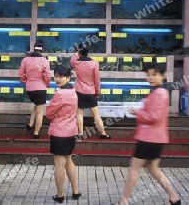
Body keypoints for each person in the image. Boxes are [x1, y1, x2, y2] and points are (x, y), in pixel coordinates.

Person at [113, 64, 180, 205]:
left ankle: (124, 201)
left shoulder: (160, 93)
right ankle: (174, 198)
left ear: (162, 76)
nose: (150, 77)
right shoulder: (158, 91)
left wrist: (137, 113)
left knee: (134, 169)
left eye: (154, 74)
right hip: (155, 138)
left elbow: (153, 117)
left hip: (149, 138)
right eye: (148, 74)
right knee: (153, 169)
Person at [46, 66, 81, 203]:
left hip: (59, 132)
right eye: (56, 76)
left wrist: (54, 114)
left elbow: (49, 113)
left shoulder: (59, 94)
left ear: (68, 77)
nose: (58, 79)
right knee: (69, 161)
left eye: (61, 76)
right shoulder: (73, 92)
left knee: (59, 165)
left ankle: (60, 195)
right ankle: (76, 191)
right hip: (70, 132)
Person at [70, 44, 111, 139]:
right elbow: (97, 79)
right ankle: (103, 133)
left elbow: (71, 60)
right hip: (91, 92)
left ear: (79, 52)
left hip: (79, 90)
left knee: (79, 113)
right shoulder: (94, 63)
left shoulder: (76, 62)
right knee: (96, 115)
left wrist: (77, 53)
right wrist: (98, 92)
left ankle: (80, 133)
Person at [18, 42, 51, 138]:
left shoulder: (25, 60)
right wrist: (46, 84)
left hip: (29, 88)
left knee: (37, 105)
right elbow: (47, 75)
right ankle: (36, 133)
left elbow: (21, 74)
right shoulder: (44, 60)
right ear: (42, 50)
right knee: (40, 111)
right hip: (40, 88)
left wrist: (27, 82)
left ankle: (30, 124)